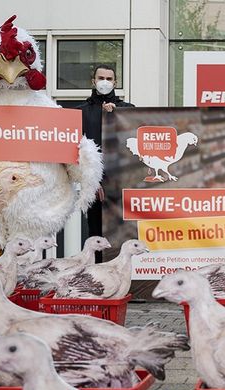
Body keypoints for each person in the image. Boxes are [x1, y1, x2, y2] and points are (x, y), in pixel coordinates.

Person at [78, 64, 133, 255]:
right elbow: (76, 151)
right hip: (95, 186)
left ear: (115, 83)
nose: (105, 82)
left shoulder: (127, 110)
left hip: (121, 186)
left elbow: (134, 142)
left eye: (109, 79)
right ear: (93, 81)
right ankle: (94, 278)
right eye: (101, 78)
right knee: (95, 236)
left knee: (122, 235)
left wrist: (117, 115)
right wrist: (92, 183)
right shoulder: (80, 112)